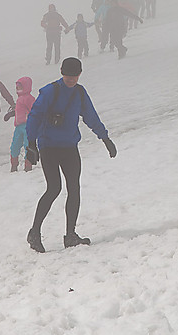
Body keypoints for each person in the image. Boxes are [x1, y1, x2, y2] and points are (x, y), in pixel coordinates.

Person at [25, 57, 117, 252]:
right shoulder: (50, 91)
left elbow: (90, 116)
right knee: (54, 188)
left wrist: (105, 138)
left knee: (74, 189)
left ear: (79, 74)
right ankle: (34, 233)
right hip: (48, 146)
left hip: (69, 147)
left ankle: (70, 235)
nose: (71, 80)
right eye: (68, 76)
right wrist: (31, 143)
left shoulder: (80, 93)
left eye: (75, 76)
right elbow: (34, 115)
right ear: (62, 72)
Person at [7, 76, 36, 172]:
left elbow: (34, 110)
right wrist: (11, 114)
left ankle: (28, 165)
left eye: (20, 87)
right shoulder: (20, 99)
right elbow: (18, 111)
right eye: (17, 87)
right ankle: (14, 165)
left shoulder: (29, 99)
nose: (17, 89)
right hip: (19, 126)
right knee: (15, 145)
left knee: (27, 145)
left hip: (28, 126)